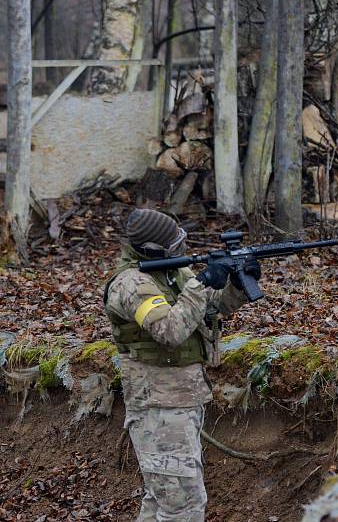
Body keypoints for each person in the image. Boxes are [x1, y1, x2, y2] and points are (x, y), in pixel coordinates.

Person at [103, 209, 259, 522]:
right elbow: (171, 331)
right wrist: (201, 284)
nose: (182, 248)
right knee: (183, 507)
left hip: (182, 401)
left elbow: (212, 306)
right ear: (152, 247)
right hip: (158, 409)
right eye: (175, 243)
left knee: (161, 502)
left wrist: (238, 283)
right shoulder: (132, 285)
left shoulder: (172, 274)